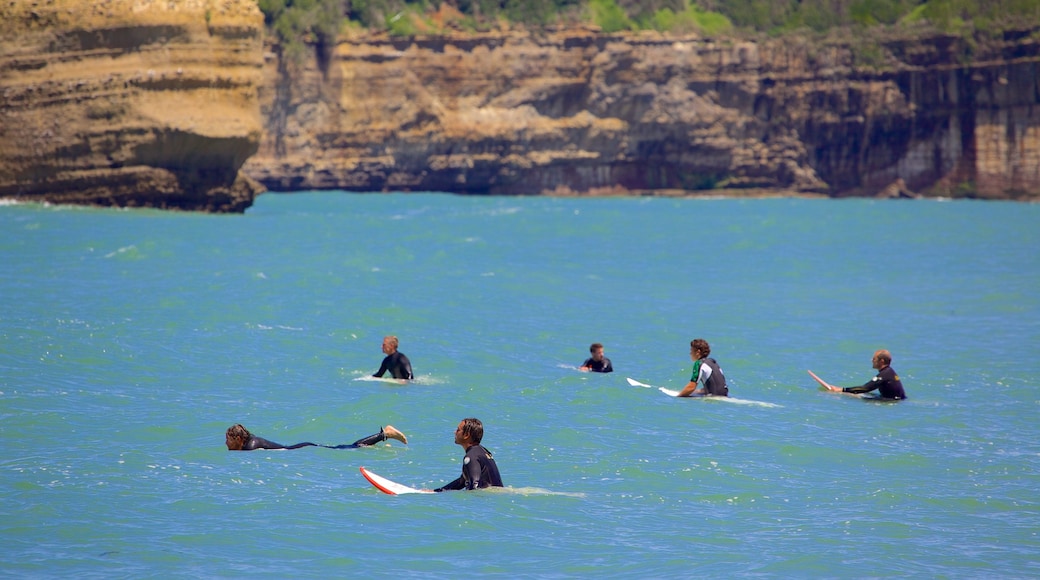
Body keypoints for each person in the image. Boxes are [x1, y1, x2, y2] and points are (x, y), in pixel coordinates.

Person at [434, 417, 503, 492]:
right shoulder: (482, 451)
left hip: (488, 498)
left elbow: (474, 486)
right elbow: (462, 482)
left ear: (466, 435)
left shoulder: (471, 457)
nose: (455, 432)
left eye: (458, 430)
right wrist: (437, 491)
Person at [225, 424, 408, 451]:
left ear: (238, 439)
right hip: (301, 448)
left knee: (346, 448)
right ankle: (381, 437)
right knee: (345, 448)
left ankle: (385, 434)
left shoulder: (250, 446)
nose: (226, 443)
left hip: (302, 449)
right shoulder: (250, 441)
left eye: (228, 439)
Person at [811, 349, 907, 400]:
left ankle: (835, 394)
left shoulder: (884, 375)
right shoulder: (889, 372)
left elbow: (864, 388)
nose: (871, 361)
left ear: (881, 361)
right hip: (897, 400)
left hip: (891, 402)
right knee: (860, 394)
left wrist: (841, 389)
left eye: (874, 359)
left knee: (856, 396)